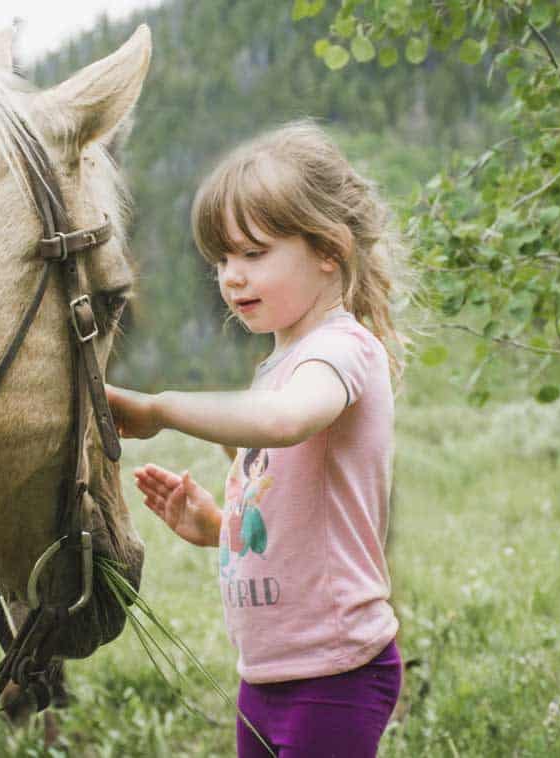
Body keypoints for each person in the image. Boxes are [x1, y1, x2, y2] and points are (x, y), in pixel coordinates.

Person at [105, 120, 409, 758]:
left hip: (335, 674)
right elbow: (295, 513)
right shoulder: (277, 367)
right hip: (267, 673)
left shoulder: (341, 351)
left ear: (328, 249)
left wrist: (162, 409)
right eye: (220, 260)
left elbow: (286, 422)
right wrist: (218, 524)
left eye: (252, 253)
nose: (230, 277)